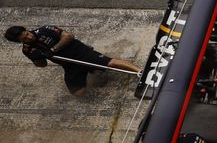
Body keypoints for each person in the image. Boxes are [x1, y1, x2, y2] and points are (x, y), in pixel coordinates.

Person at [4, 25, 141, 98]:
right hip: (69, 64)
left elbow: (68, 36)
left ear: (26, 30)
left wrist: (53, 49)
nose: (29, 37)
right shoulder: (27, 50)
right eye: (24, 39)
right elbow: (42, 65)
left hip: (81, 52)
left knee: (110, 63)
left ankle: (140, 71)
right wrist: (37, 58)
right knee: (78, 93)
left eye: (27, 33)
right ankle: (89, 72)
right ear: (19, 42)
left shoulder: (45, 30)